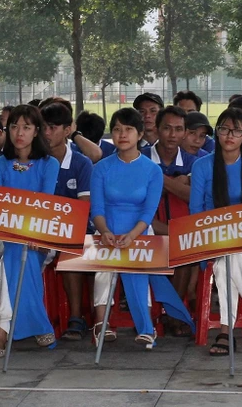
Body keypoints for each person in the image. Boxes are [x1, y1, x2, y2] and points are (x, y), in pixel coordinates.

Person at [90, 108, 194, 348]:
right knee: (103, 269)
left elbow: (148, 212)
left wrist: (132, 235)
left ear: (139, 134)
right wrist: (105, 232)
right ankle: (101, 323)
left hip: (140, 230)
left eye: (128, 129)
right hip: (106, 228)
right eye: (117, 129)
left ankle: (146, 327)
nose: (122, 134)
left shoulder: (152, 170)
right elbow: (97, 209)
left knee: (138, 265)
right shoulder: (101, 168)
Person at [189, 108, 242, 355]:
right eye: (224, 129)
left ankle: (226, 333)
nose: (229, 135)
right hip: (209, 237)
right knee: (227, 256)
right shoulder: (202, 165)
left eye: (236, 131)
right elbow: (196, 211)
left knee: (229, 258)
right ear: (217, 132)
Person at [0, 105, 59, 358]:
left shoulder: (49, 164)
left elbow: (46, 205)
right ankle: (38, 325)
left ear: (36, 131)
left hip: (40, 237)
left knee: (20, 254)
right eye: (14, 127)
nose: (19, 133)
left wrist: (35, 235)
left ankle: (2, 329)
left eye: (26, 127)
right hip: (4, 236)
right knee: (15, 253)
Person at [142, 105, 199, 337]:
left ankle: (172, 313)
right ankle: (152, 313)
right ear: (157, 129)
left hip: (182, 234)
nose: (172, 135)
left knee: (184, 246)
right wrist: (176, 183)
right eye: (167, 128)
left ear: (185, 132)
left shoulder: (196, 161)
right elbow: (137, 200)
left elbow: (194, 197)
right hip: (145, 230)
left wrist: (158, 181)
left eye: (178, 129)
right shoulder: (140, 158)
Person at [40, 103, 94, 341]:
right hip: (40, 228)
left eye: (53, 128)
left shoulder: (81, 163)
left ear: (68, 129)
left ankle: (76, 318)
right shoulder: (34, 160)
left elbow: (83, 207)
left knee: (70, 247)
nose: (46, 133)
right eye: (43, 127)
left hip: (76, 227)